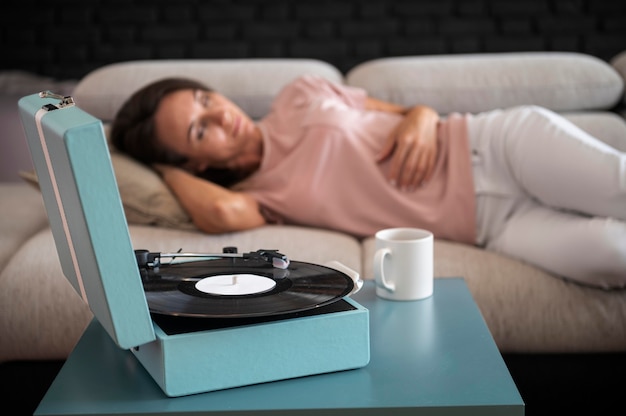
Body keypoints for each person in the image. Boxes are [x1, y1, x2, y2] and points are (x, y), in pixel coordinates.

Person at [111, 75, 626, 289]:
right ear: (192, 166)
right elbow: (220, 217)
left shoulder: (299, 94)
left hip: (494, 146)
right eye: (201, 131)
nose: (221, 116)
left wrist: (423, 117)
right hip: (493, 226)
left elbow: (409, 111)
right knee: (611, 255)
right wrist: (160, 163)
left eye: (204, 100)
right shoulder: (252, 196)